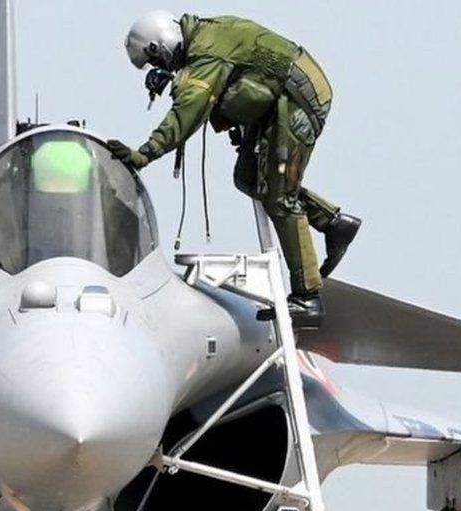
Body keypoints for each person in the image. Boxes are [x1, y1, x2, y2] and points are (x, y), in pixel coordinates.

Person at [106, 10, 361, 328]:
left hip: (298, 98)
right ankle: (332, 223)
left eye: (157, 60)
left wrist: (146, 152)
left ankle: (307, 297)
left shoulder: (206, 51)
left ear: (162, 43)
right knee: (248, 178)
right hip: (280, 99)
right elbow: (243, 83)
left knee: (279, 199)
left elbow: (190, 107)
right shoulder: (205, 40)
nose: (163, 67)